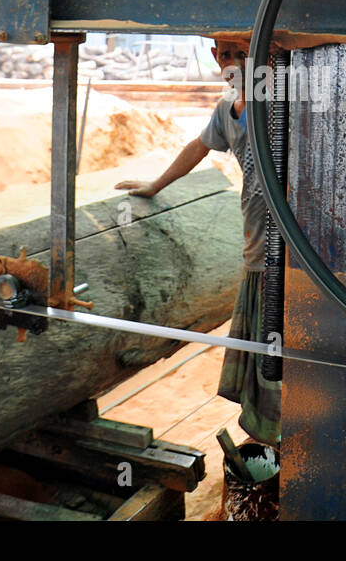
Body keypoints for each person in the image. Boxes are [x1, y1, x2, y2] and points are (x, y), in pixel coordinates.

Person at [115, 39, 280, 445]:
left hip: (286, 248)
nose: (232, 63)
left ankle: (282, 425)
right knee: (261, 333)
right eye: (225, 55)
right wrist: (156, 184)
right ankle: (267, 426)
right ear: (214, 59)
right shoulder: (227, 111)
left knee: (281, 333)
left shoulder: (278, 105)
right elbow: (199, 147)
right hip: (256, 239)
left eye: (241, 54)